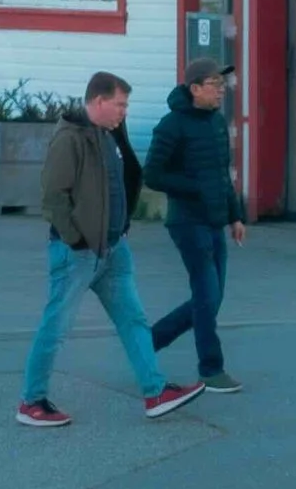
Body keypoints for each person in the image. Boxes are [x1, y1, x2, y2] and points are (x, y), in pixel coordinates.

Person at [16, 72, 204, 427]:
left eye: (126, 105)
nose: (124, 111)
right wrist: (78, 239)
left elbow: (123, 182)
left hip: (114, 250)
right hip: (79, 253)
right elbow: (53, 197)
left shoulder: (108, 135)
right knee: (55, 327)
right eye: (120, 104)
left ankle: (155, 391)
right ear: (99, 101)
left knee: (133, 319)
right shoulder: (69, 140)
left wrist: (120, 229)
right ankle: (31, 401)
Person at [145, 57, 248, 393]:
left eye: (223, 86)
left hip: (215, 221)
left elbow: (223, 173)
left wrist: (236, 216)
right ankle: (211, 369)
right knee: (206, 294)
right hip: (187, 222)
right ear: (194, 88)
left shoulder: (217, 123)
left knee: (211, 299)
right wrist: (195, 188)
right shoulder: (172, 125)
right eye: (215, 85)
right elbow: (153, 174)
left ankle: (146, 343)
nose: (221, 92)